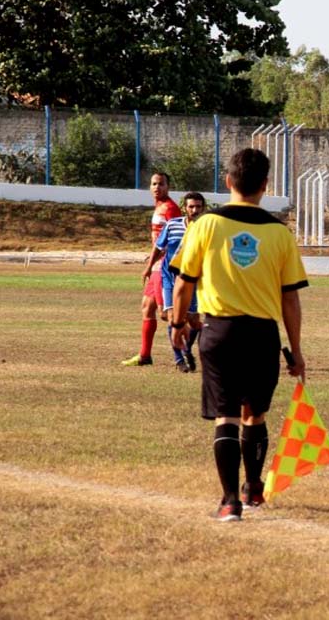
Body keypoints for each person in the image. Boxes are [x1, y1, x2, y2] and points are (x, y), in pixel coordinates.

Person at [169, 148, 307, 521]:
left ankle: (230, 500)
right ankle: (253, 488)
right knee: (255, 414)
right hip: (262, 335)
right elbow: (290, 299)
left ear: (228, 181)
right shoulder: (280, 233)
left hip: (219, 331)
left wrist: (178, 325)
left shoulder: (205, 225)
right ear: (265, 185)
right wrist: (295, 351)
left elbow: (184, 283)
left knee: (226, 415)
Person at [122, 172, 181, 367]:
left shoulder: (170, 208)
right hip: (157, 264)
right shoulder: (159, 207)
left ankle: (189, 350)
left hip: (163, 266)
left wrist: (152, 264)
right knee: (147, 306)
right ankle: (145, 355)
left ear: (168, 187)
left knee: (167, 313)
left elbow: (174, 239)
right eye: (154, 184)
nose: (157, 187)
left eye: (161, 184)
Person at [144, 192, 206, 372]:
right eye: (191, 206)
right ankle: (180, 359)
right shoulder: (172, 225)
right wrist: (148, 267)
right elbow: (158, 247)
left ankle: (187, 348)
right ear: (185, 208)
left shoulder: (206, 230)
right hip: (170, 279)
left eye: (198, 206)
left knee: (193, 321)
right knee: (172, 317)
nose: (194, 210)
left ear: (203, 208)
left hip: (193, 280)